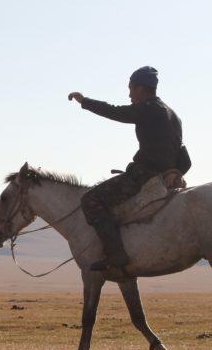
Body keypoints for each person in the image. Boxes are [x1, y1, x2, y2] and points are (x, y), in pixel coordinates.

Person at [68, 66, 190, 273]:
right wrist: (174, 172)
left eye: (131, 89)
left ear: (141, 88)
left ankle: (115, 255)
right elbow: (181, 151)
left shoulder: (148, 108)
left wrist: (85, 102)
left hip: (144, 175)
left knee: (90, 200)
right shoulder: (172, 114)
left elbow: (116, 112)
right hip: (166, 174)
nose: (129, 94)